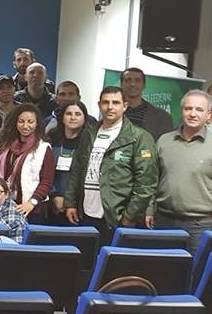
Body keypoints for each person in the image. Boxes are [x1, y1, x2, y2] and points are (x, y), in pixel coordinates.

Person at [64, 86, 157, 243]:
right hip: (85, 212)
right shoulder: (89, 133)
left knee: (111, 258)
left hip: (117, 216)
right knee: (84, 257)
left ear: (125, 106)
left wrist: (129, 216)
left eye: (116, 102)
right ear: (99, 105)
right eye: (106, 102)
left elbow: (146, 183)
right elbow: (77, 170)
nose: (110, 107)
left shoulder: (139, 137)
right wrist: (71, 203)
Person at [147, 90, 212, 253]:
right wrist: (149, 209)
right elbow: (152, 178)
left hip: (201, 225)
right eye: (188, 108)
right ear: (181, 111)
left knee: (197, 268)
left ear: (209, 115)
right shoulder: (164, 141)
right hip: (164, 220)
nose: (192, 114)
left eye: (199, 109)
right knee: (163, 265)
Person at [0, 104, 55, 224]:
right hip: (6, 204)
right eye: (21, 121)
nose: (25, 126)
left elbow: (46, 182)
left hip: (33, 208)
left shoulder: (44, 148)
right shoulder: (5, 145)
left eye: (30, 122)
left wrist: (32, 203)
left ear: (37, 124)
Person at [47, 101, 90, 224]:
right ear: (62, 117)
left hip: (80, 204)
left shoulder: (90, 142)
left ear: (84, 118)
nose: (73, 117)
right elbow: (43, 171)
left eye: (78, 114)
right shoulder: (51, 138)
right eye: (69, 114)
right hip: (52, 202)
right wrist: (54, 195)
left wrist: (71, 202)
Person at [120, 67, 175, 141]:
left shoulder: (162, 117)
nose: (132, 84)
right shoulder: (111, 112)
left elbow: (165, 144)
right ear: (121, 84)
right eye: (128, 80)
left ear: (144, 85)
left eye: (137, 80)